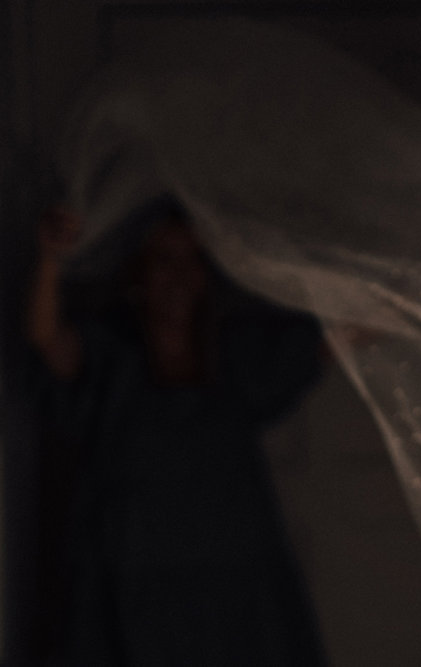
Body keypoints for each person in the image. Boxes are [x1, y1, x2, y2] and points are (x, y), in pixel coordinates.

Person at [26, 203, 328, 665]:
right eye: (165, 260)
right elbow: (48, 339)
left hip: (236, 588)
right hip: (134, 585)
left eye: (193, 261)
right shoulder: (114, 356)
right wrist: (49, 258)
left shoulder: (231, 357)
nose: (180, 277)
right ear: (139, 273)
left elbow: (332, 341)